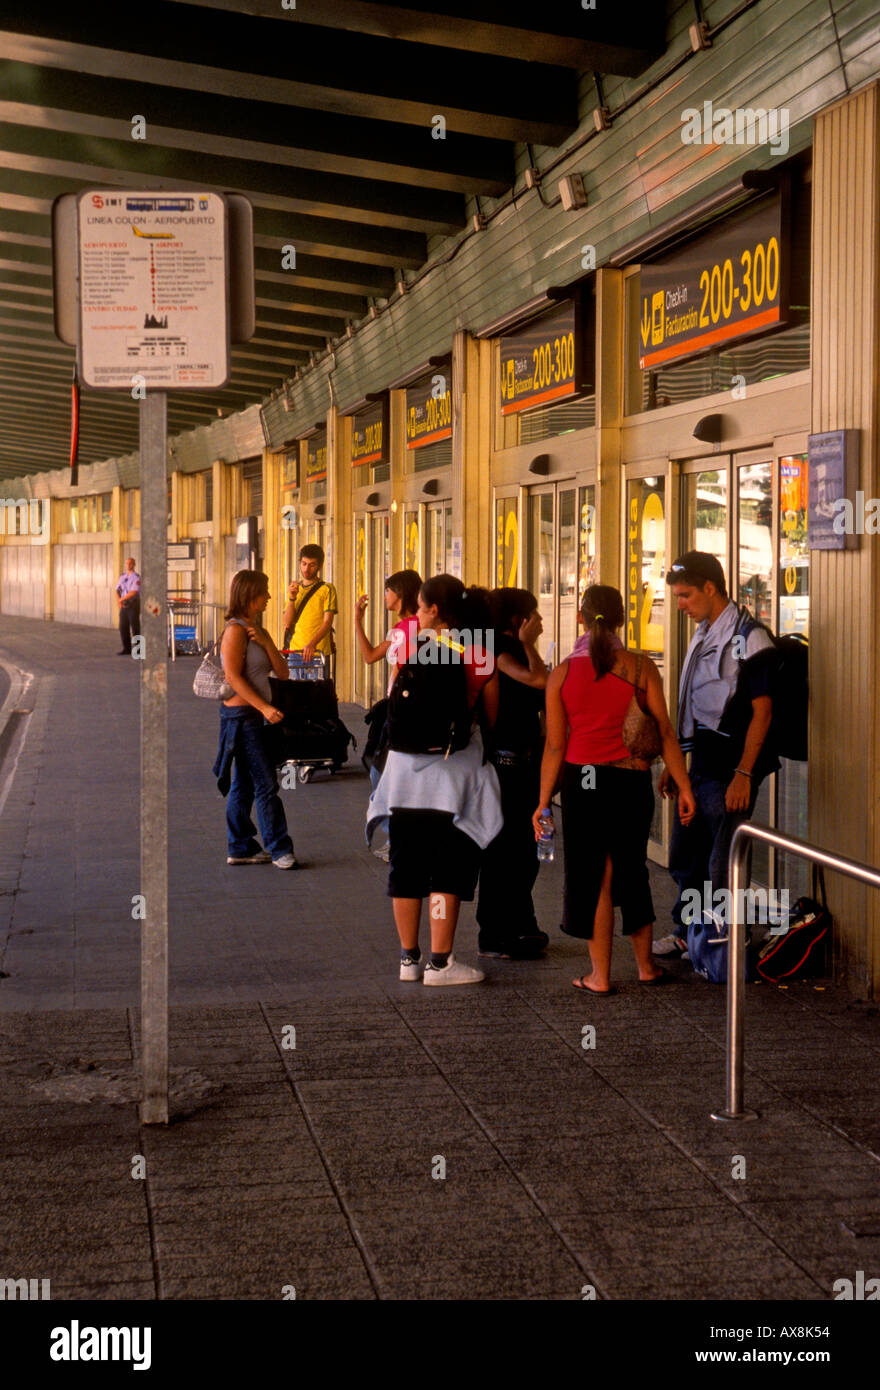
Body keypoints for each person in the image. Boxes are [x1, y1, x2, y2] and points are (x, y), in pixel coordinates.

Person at [533, 585, 696, 995]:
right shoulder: (641, 668)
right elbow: (666, 733)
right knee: (631, 869)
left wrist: (541, 803)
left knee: (595, 877)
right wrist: (685, 785)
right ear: (623, 619)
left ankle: (599, 976)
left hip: (582, 782)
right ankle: (645, 967)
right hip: (629, 780)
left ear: (580, 620)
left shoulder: (562, 674)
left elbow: (555, 745)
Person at [367, 575, 501, 986]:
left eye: (422, 607)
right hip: (453, 775)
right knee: (446, 868)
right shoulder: (477, 652)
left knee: (405, 864)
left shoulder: (409, 647)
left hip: (405, 775)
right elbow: (490, 717)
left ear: (434, 611)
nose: (418, 614)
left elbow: (394, 705)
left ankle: (409, 960)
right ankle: (441, 964)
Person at [655, 551, 778, 956]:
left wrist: (744, 774)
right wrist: (678, 766)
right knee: (686, 857)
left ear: (711, 588)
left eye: (686, 595)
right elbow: (695, 703)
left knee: (722, 864)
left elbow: (763, 712)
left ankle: (726, 942)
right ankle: (688, 931)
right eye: (676, 596)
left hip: (730, 769)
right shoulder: (706, 633)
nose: (680, 605)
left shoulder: (748, 636)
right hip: (701, 765)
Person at [476, 588, 550, 960]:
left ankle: (521, 923)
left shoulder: (501, 646)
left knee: (522, 850)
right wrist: (531, 644)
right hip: (506, 765)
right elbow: (539, 682)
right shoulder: (498, 648)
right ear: (517, 619)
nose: (538, 619)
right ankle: (494, 933)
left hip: (522, 762)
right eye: (532, 613)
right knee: (506, 850)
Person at [212, 570, 297, 869]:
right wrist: (263, 707)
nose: (270, 597)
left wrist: (266, 641)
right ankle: (278, 848)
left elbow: (283, 672)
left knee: (244, 784)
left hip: (254, 715)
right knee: (265, 783)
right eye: (265, 592)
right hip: (243, 716)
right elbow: (233, 677)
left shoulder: (256, 630)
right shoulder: (234, 631)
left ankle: (240, 846)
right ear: (250, 595)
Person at [355, 569, 422, 862]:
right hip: (400, 711)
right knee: (383, 770)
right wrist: (357, 621)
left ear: (401, 593)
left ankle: (398, 839)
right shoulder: (405, 627)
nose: (384, 596)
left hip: (403, 712)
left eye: (388, 590)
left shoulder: (411, 628)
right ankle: (398, 837)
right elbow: (370, 655)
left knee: (382, 772)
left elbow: (380, 660)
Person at [281, 544, 338, 666]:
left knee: (317, 685)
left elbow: (327, 622)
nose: (306, 569)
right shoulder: (294, 588)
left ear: (320, 566)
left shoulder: (327, 589)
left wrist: (312, 644)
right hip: (295, 651)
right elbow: (287, 623)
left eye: (312, 565)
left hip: (317, 652)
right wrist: (292, 598)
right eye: (304, 564)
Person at [114, 557, 140, 655]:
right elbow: (117, 589)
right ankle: (127, 648)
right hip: (124, 605)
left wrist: (121, 599)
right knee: (123, 627)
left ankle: (139, 650)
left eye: (130, 563)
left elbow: (134, 591)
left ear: (134, 564)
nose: (128, 565)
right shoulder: (122, 576)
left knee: (135, 627)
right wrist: (119, 601)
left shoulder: (136, 577)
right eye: (127, 563)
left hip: (133, 604)